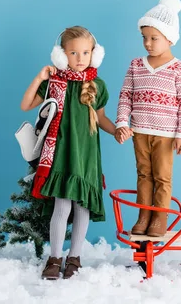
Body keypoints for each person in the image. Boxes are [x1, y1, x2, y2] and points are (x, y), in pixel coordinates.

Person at [20, 25, 129, 279]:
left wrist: (116, 131)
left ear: (94, 54)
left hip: (87, 156)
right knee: (62, 207)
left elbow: (100, 118)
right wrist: (39, 78)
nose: (80, 59)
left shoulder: (97, 86)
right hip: (62, 153)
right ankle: (55, 258)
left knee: (82, 208)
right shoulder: (55, 83)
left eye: (85, 53)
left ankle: (75, 258)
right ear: (62, 55)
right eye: (73, 53)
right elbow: (26, 105)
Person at [115, 0, 181, 237]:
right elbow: (125, 96)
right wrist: (121, 123)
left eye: (154, 38)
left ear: (169, 38)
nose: (147, 43)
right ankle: (144, 214)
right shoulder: (136, 65)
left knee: (162, 177)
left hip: (166, 136)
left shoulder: (180, 68)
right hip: (140, 132)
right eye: (144, 38)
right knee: (143, 175)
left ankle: (159, 217)